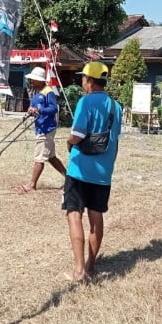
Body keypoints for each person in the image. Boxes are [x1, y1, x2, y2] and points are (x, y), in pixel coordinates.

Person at [63, 61, 122, 281]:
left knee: (74, 214)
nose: (81, 81)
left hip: (80, 170)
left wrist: (69, 143)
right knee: (96, 217)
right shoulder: (116, 106)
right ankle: (91, 266)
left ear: (89, 80)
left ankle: (78, 270)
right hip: (103, 172)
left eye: (83, 78)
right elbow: (115, 141)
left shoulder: (85, 102)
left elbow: (78, 134)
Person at [18, 66, 65, 193]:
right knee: (51, 157)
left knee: (39, 157)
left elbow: (54, 108)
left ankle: (32, 185)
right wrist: (31, 110)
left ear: (40, 80)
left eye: (34, 79)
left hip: (46, 128)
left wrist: (39, 110)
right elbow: (34, 107)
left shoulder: (48, 92)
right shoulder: (37, 93)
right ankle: (69, 179)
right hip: (40, 127)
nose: (31, 81)